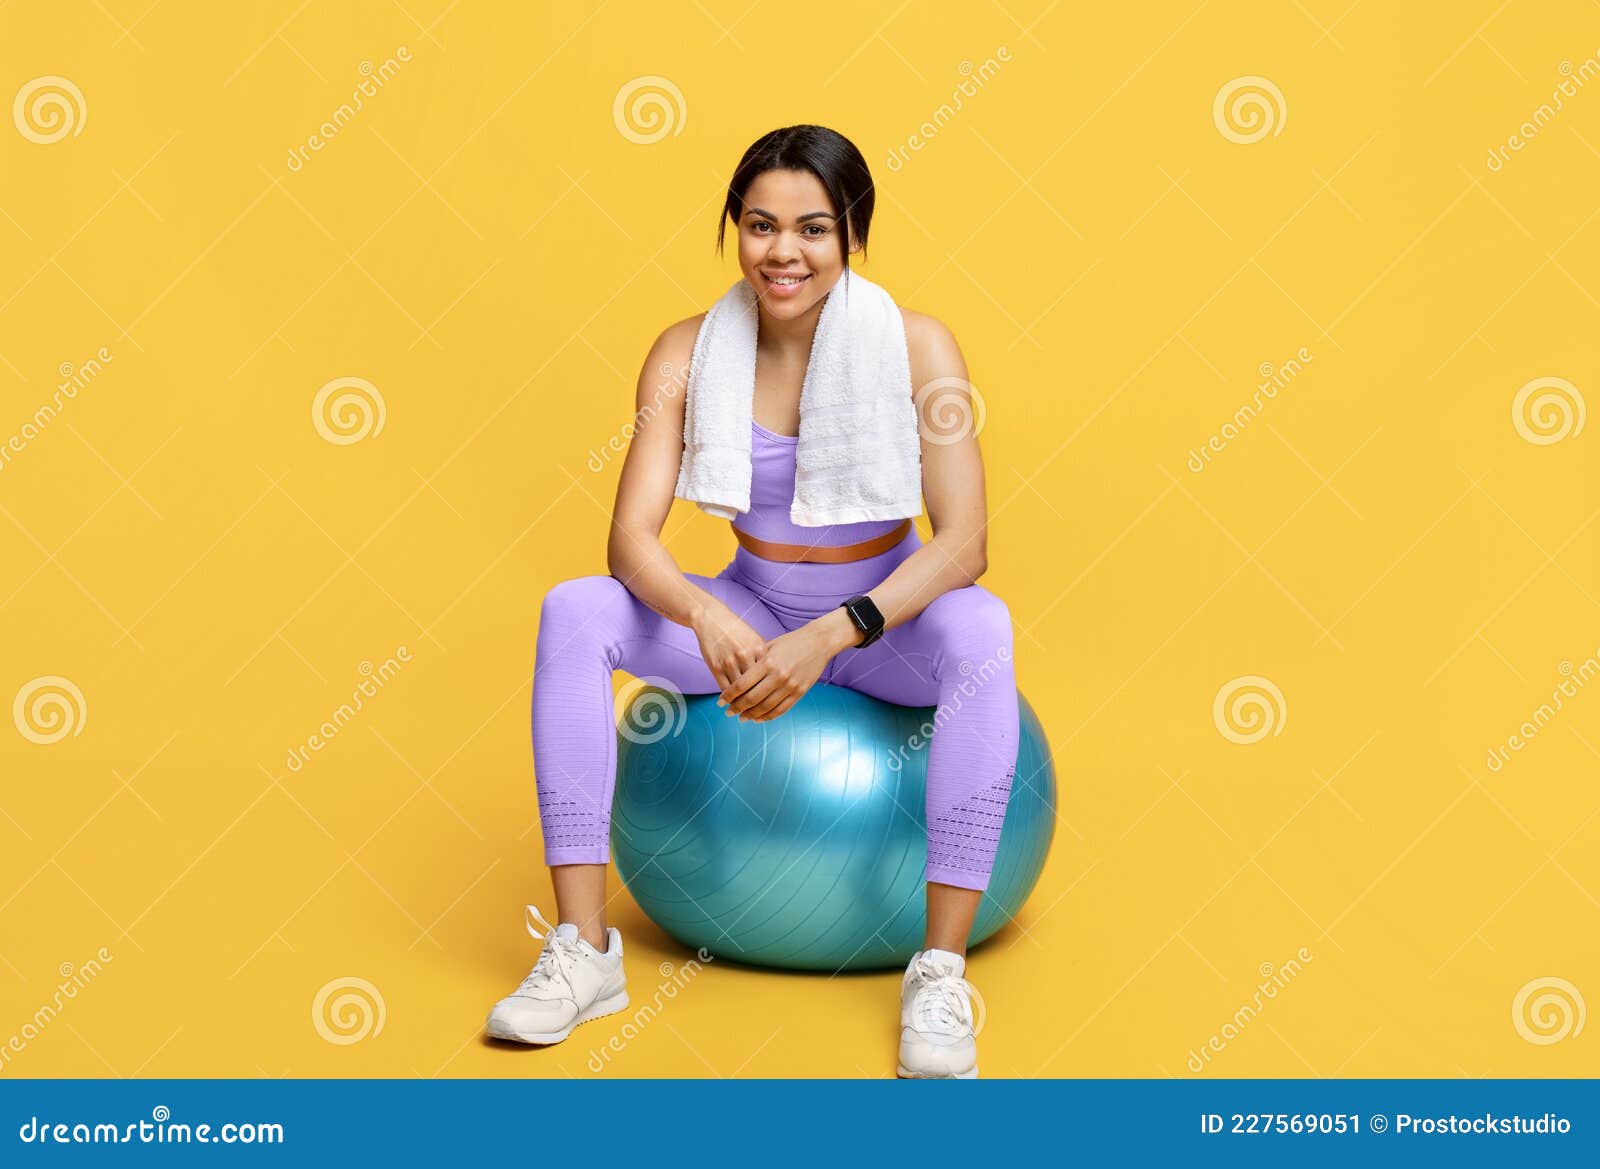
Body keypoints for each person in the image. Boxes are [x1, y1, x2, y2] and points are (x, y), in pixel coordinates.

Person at [485, 125, 1019, 1079]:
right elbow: (630, 542)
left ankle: (936, 972)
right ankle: (585, 952)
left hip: (876, 623)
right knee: (575, 606)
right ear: (735, 229)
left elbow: (966, 543)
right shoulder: (686, 352)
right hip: (748, 606)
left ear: (852, 234)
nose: (784, 252)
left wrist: (838, 629)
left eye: (813, 228)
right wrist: (707, 613)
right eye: (761, 225)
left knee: (983, 625)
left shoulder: (918, 345)